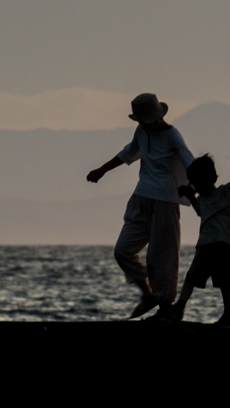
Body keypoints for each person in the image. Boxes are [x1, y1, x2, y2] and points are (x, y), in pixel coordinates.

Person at [87, 93, 195, 318]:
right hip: (141, 198)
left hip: (165, 202)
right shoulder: (141, 131)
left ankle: (165, 308)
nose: (143, 125)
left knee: (161, 257)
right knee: (123, 250)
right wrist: (102, 169)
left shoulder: (173, 136)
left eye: (146, 121)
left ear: (157, 117)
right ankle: (148, 294)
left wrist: (195, 186)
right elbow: (128, 152)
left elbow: (188, 160)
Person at [169, 154, 230, 328]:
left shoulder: (224, 192)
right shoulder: (202, 200)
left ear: (208, 179)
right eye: (194, 184)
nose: (196, 188)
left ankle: (229, 314)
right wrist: (190, 196)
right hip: (204, 245)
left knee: (224, 282)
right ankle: (179, 308)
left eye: (197, 183)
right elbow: (200, 211)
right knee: (191, 276)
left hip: (222, 245)